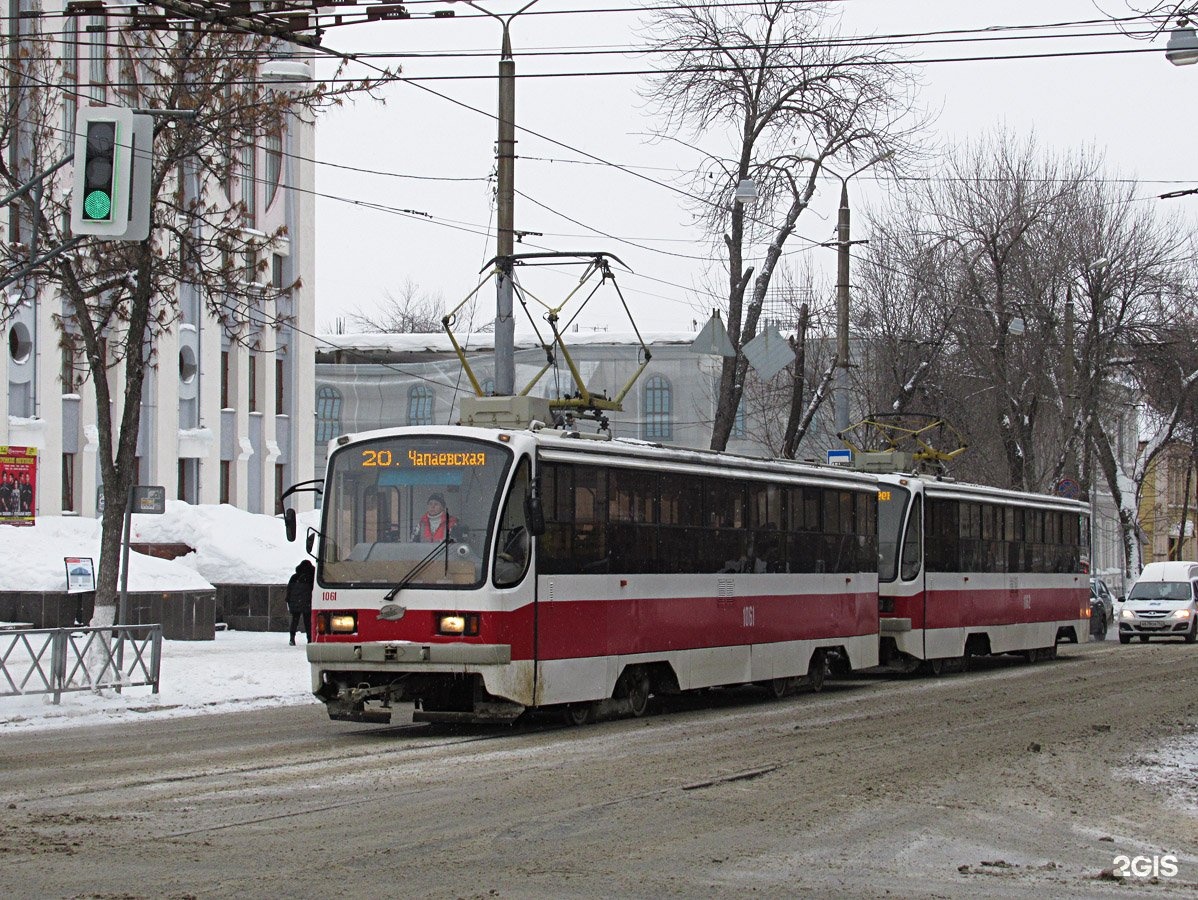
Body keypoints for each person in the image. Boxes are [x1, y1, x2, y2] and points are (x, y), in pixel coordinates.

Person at [285, 560, 314, 645]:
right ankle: (309, 639)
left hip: (295, 602)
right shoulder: (311, 577)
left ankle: (292, 638)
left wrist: (289, 600)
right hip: (307, 603)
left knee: (295, 620)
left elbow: (289, 590)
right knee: (307, 622)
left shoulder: (294, 577)